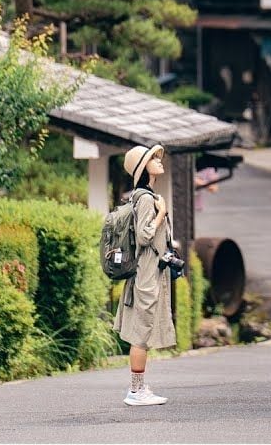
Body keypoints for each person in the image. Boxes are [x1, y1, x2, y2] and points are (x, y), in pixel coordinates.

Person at [114, 144, 176, 406]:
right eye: (153, 158)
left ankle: (138, 388)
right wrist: (162, 213)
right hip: (147, 274)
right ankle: (136, 391)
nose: (159, 160)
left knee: (143, 329)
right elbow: (144, 235)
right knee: (142, 331)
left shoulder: (142, 196)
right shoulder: (147, 199)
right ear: (142, 167)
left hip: (147, 271)